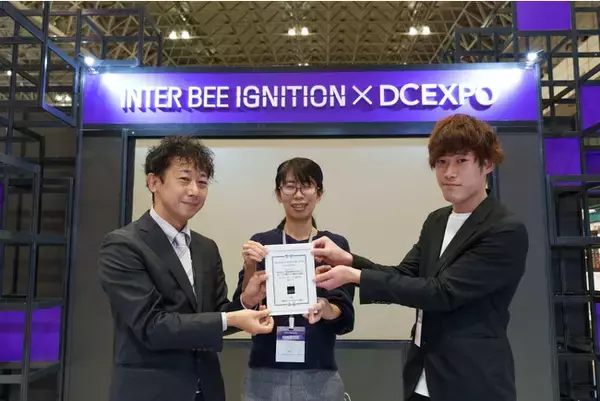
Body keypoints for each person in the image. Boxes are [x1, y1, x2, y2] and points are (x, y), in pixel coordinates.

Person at [311, 114, 529, 401]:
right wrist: (349, 261)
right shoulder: (437, 220)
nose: (449, 173)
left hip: (473, 380)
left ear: (487, 164)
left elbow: (442, 292)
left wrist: (356, 276)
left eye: (461, 161)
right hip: (422, 373)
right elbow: (405, 275)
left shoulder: (504, 229)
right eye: (442, 162)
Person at [97, 136, 274, 401]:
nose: (195, 191)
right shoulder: (123, 245)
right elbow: (151, 326)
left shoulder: (206, 247)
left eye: (202, 182)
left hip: (207, 390)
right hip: (150, 392)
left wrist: (246, 302)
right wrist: (232, 319)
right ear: (153, 182)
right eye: (184, 179)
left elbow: (215, 317)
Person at [232, 157, 355, 401]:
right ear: (278, 194)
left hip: (319, 371)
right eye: (290, 186)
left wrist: (325, 308)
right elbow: (242, 307)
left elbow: (345, 316)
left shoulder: (332, 245)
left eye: (306, 186)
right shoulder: (262, 243)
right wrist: (249, 265)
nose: (298, 195)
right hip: (264, 369)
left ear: (319, 193)